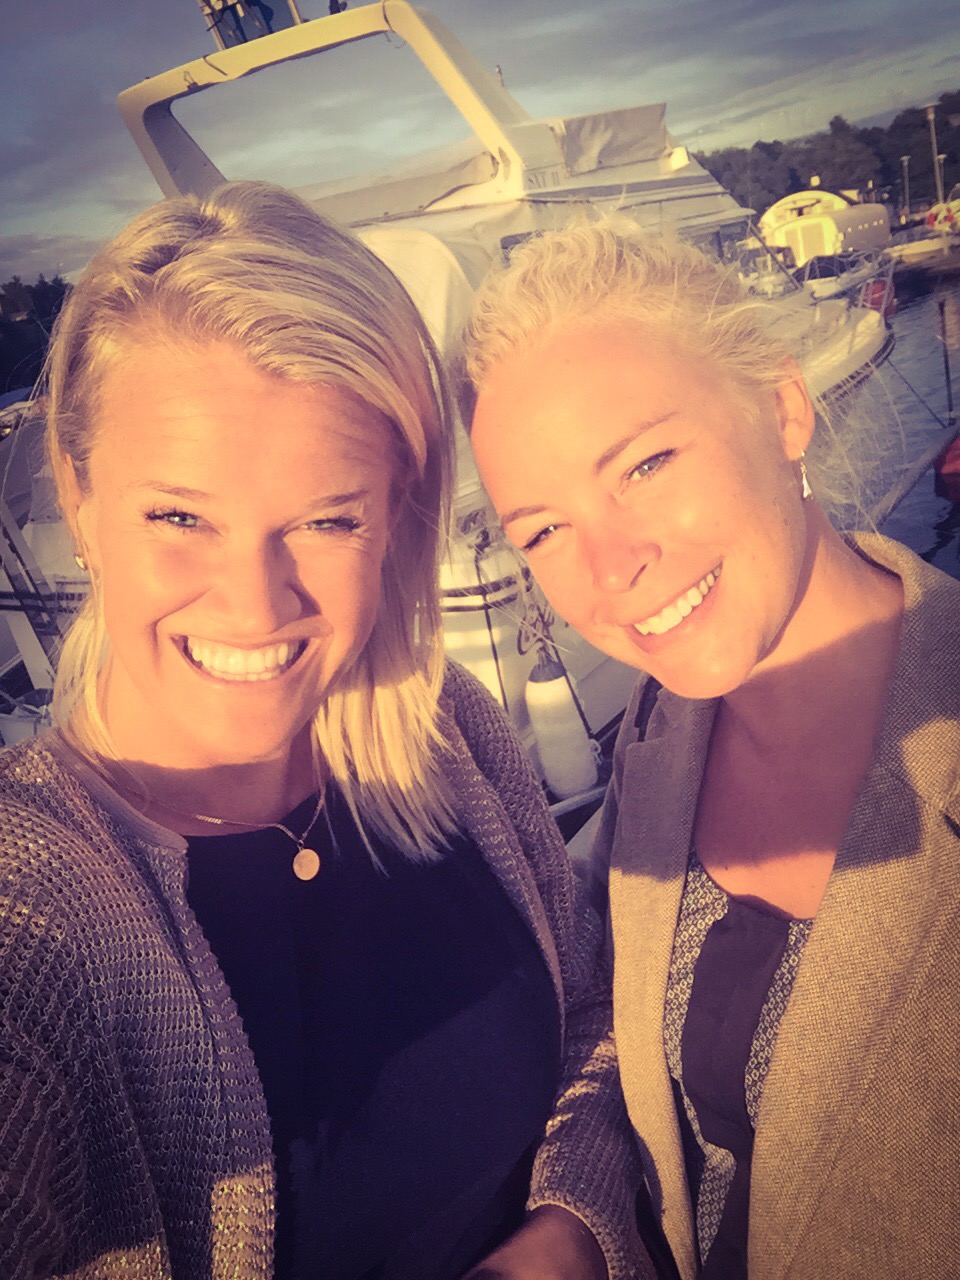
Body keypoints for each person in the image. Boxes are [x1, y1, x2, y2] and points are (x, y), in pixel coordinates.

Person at [0, 183, 653, 1280]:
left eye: (325, 519)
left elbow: (590, 1009)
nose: (255, 606)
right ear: (78, 495)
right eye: (178, 515)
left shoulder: (451, 737)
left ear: (395, 512)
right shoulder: (34, 906)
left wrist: (569, 1232)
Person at [463, 218, 960, 1280]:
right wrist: (572, 1228)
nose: (610, 570)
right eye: (543, 530)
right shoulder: (660, 740)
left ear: (782, 407)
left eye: (645, 464)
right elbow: (631, 1031)